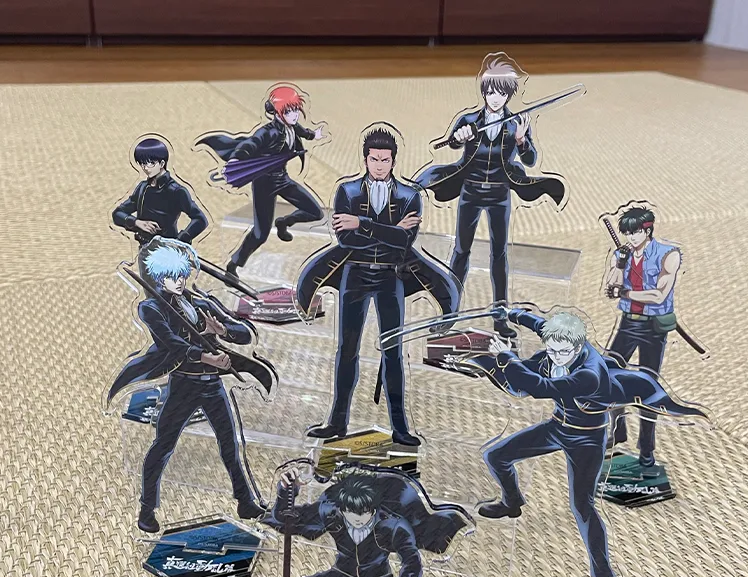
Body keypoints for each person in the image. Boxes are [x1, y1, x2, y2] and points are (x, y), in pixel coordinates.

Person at [471, 309, 706, 577]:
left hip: (587, 440)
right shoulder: (558, 341)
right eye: (551, 349)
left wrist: (506, 358)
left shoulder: (590, 374)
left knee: (582, 507)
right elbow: (539, 324)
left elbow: (541, 388)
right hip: (557, 426)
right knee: (495, 455)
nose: (555, 357)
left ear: (579, 345)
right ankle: (512, 502)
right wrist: (512, 313)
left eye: (562, 352)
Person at [297, 126, 460, 447]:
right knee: (347, 350)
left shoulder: (410, 196)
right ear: (365, 159)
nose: (380, 166)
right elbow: (346, 240)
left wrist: (363, 224)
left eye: (385, 160)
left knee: (393, 352)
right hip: (354, 275)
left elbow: (404, 242)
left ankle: (400, 427)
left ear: (394, 161)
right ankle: (337, 423)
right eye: (374, 159)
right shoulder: (347, 191)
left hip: (391, 277)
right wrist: (390, 230)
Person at [107, 237, 272, 533]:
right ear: (159, 277)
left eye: (182, 274)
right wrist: (207, 357)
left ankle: (245, 502)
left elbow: (243, 333)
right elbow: (172, 344)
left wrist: (221, 330)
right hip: (183, 386)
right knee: (163, 446)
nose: (180, 281)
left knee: (230, 446)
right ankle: (146, 508)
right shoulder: (151, 308)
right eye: (172, 276)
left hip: (212, 386)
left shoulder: (201, 302)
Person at [414, 54, 565, 339]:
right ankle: (450, 313)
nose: (496, 98)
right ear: (483, 91)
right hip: (470, 191)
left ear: (509, 95)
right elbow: (452, 142)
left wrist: (521, 140)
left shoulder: (516, 122)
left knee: (499, 255)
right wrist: (460, 136)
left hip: (500, 194)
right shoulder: (469, 120)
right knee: (461, 252)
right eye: (491, 92)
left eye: (502, 93)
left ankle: (500, 318)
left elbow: (531, 160)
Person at [267, 466, 470, 577]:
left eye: (364, 512)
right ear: (342, 507)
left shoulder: (393, 525)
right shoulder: (330, 512)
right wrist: (286, 490)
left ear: (374, 508)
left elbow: (412, 562)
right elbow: (286, 519)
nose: (358, 519)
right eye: (350, 512)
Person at [196, 86, 326, 275]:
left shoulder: (292, 126)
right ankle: (233, 264)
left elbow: (303, 132)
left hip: (282, 178)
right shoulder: (268, 132)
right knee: (260, 233)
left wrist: (315, 135)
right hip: (264, 184)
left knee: (315, 212)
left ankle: (284, 222)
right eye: (289, 111)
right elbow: (250, 144)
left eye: (296, 109)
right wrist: (236, 160)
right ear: (278, 112)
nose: (295, 115)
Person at [604, 207, 682, 471]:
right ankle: (618, 430)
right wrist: (620, 264)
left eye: (635, 232)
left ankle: (646, 449)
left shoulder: (668, 255)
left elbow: (659, 295)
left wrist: (624, 293)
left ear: (647, 230)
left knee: (649, 387)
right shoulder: (622, 253)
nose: (631, 237)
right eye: (627, 233)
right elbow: (611, 286)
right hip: (628, 324)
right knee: (606, 373)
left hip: (652, 328)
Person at [112, 137, 208, 245]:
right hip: (144, 247)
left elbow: (200, 220)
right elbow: (117, 213)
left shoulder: (176, 191)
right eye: (142, 163)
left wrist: (178, 241)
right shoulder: (142, 187)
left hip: (167, 249)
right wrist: (137, 222)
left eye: (151, 163)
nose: (146, 168)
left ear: (162, 163)